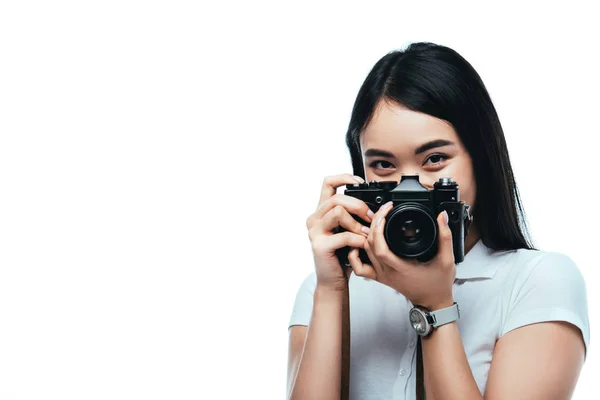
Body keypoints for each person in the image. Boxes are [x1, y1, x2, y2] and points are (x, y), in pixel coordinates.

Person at [286, 42, 590, 400]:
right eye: (383, 165)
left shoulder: (538, 282)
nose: (409, 186)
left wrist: (435, 306)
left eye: (434, 160)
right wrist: (331, 290)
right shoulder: (326, 288)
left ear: (481, 158)